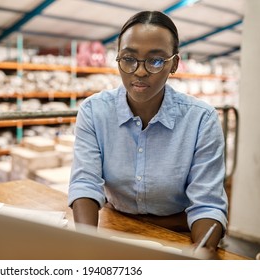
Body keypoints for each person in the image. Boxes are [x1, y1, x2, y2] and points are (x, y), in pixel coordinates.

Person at [68, 10, 228, 255]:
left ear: (174, 63)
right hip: (116, 227)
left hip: (181, 235)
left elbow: (207, 205)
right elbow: (85, 183)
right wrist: (85, 246)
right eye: (129, 58)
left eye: (155, 61)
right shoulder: (94, 111)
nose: (139, 71)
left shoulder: (201, 120)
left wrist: (200, 254)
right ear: (118, 59)